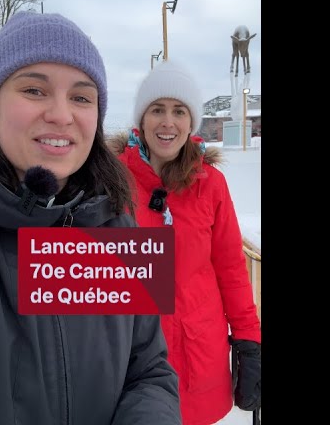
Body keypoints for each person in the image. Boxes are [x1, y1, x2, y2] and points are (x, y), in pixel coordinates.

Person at [0, 11, 182, 425]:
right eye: (34, 90)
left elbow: (147, 370)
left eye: (81, 97)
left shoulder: (114, 227)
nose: (62, 114)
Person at [108, 59, 261, 425]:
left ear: (190, 122)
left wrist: (249, 339)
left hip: (198, 353)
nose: (168, 122)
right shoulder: (110, 182)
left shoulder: (210, 184)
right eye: (157, 109)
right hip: (131, 356)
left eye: (179, 111)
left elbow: (231, 269)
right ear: (141, 120)